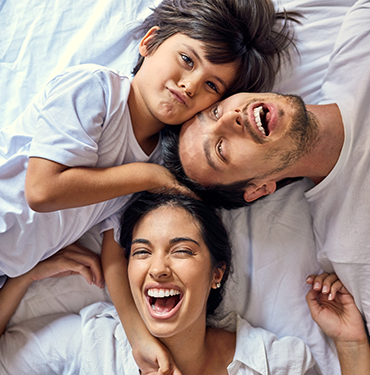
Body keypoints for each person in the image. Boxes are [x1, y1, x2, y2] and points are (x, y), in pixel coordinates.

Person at [0, 191, 369, 375]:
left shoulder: (274, 365)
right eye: (142, 252)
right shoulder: (94, 342)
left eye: (181, 250)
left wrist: (352, 344)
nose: (158, 268)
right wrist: (23, 278)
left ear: (216, 274)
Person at [0, 0, 298, 288]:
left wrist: (140, 337)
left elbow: (113, 253)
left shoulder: (161, 159)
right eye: (187, 60)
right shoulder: (95, 90)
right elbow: (42, 190)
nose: (190, 85)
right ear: (149, 41)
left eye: (212, 85)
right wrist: (147, 177)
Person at [161, 0, 370, 333]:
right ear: (259, 188)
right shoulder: (352, 250)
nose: (230, 118)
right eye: (220, 148)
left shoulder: (360, 37)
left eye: (214, 113)